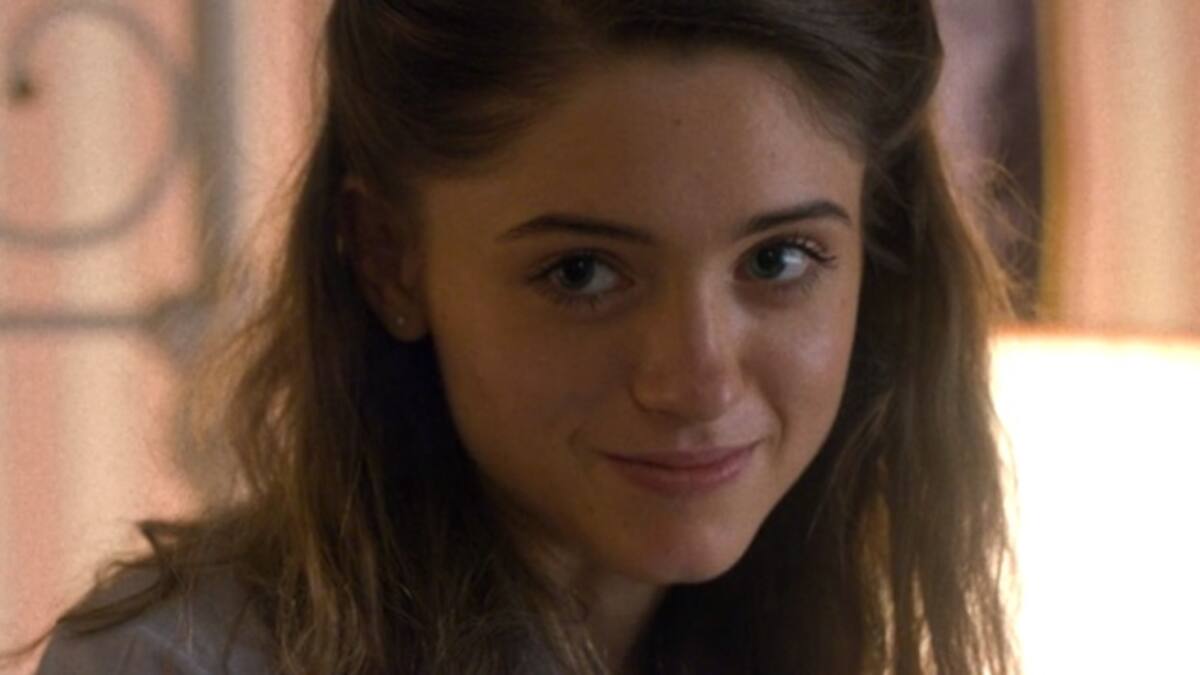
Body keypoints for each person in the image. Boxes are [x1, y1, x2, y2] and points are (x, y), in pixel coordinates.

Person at [15, 0, 1016, 673]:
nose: (699, 379)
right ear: (389, 260)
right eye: (582, 273)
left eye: (779, 260)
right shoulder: (175, 663)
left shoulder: (865, 636)